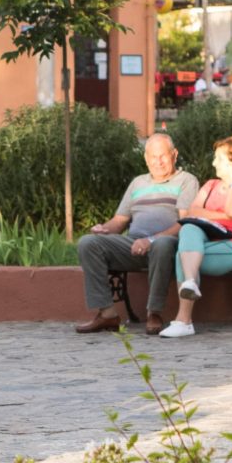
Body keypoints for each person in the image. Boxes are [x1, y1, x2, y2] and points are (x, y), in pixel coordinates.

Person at [73, 132, 200, 334]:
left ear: (174, 155)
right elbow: (119, 221)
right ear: (145, 158)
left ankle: (154, 313)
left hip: (166, 244)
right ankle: (107, 314)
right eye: (153, 157)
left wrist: (150, 240)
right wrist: (103, 229)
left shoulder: (186, 181)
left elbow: (185, 223)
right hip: (132, 244)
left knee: (163, 244)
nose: (158, 162)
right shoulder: (138, 182)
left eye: (163, 156)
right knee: (88, 243)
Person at [160, 135, 232, 338]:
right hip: (208, 242)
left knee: (181, 257)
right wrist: (227, 217)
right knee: (189, 228)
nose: (213, 163)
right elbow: (193, 212)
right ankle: (191, 282)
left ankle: (184, 320)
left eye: (218, 159)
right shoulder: (210, 185)